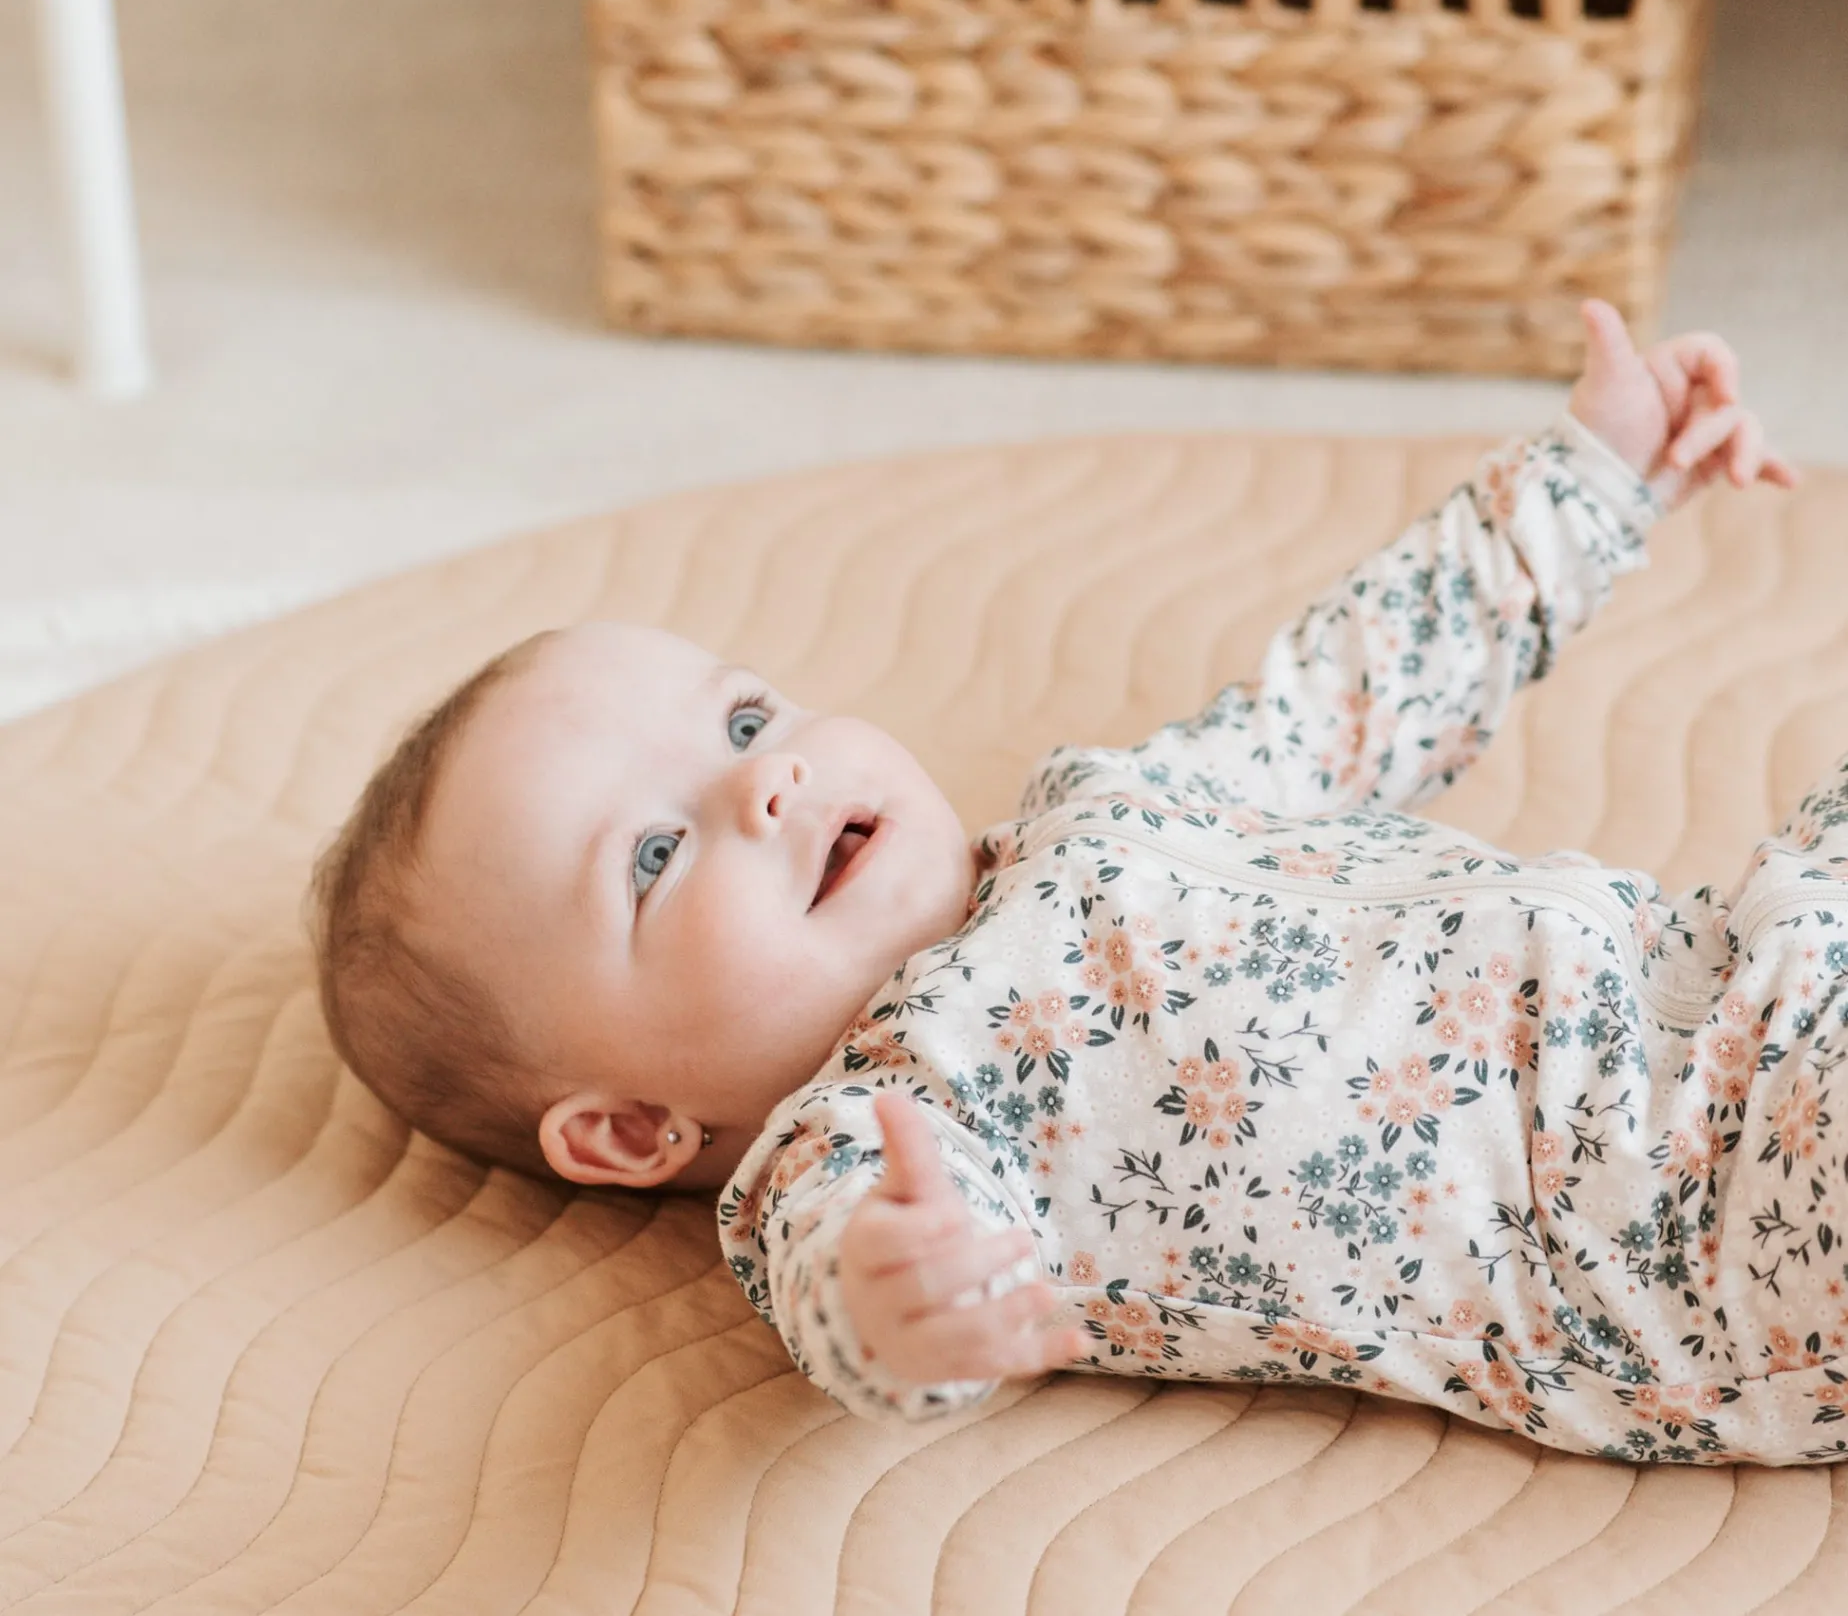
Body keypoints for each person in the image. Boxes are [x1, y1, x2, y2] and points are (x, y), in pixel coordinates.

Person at [313, 302, 1839, 1465]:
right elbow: (855, 1302)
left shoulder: (1099, 803)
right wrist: (904, 1304)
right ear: (634, 1128)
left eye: (746, 720)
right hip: (1700, 1215)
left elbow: (1357, 699)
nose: (763, 783)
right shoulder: (875, 1132)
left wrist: (1592, 476)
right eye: (655, 856)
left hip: (1754, 954)